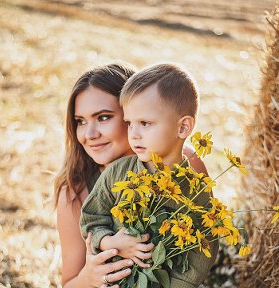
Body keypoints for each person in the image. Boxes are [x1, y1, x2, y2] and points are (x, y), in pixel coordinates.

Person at [55, 62, 209, 287]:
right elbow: (68, 284)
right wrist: (89, 277)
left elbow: (203, 240)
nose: (89, 134)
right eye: (80, 121)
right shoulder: (75, 192)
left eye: (104, 117)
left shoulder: (188, 164)